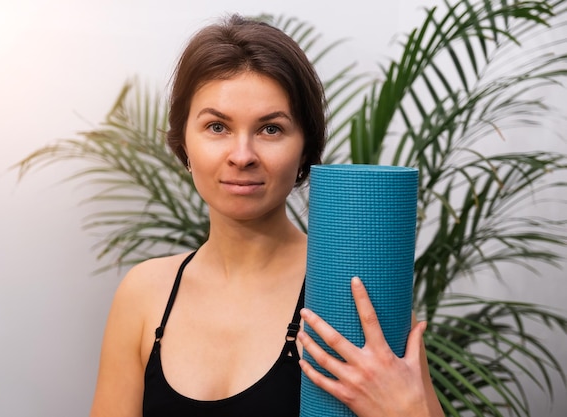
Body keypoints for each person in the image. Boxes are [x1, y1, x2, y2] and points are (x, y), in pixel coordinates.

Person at [89, 14, 444, 417]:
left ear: (305, 149)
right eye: (217, 126)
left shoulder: (354, 296)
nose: (242, 156)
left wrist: (406, 410)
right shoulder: (143, 293)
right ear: (183, 141)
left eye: (270, 129)